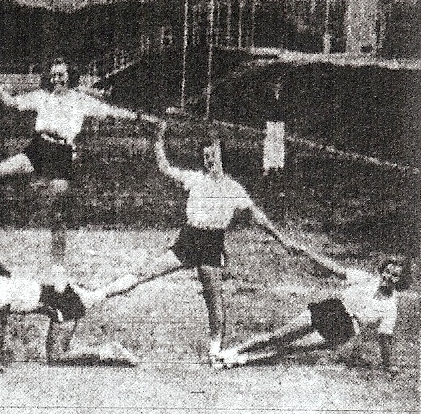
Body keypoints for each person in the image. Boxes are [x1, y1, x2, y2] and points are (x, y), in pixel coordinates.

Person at [89, 122, 298, 362]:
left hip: (212, 243)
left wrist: (282, 238)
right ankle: (96, 296)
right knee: (144, 272)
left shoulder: (234, 188)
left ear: (223, 156)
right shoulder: (195, 179)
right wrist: (158, 138)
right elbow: (164, 167)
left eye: (214, 155)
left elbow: (257, 216)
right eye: (206, 156)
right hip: (188, 240)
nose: (210, 160)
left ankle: (215, 351)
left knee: (213, 297)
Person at [0, 59, 154, 262]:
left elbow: (113, 112)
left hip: (61, 154)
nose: (56, 79)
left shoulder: (82, 100)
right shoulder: (41, 96)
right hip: (39, 148)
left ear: (69, 76)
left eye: (61, 75)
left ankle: (58, 264)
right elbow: (9, 102)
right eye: (53, 75)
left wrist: (144, 118)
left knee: (58, 209)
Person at [216, 250, 409, 374]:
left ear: (401, 280)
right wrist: (309, 253)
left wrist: (389, 365)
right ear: (382, 270)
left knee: (292, 348)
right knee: (278, 336)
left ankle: (241, 361)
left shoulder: (391, 307)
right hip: (332, 308)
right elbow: (335, 269)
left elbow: (385, 338)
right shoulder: (365, 279)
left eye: (395, 276)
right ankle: (231, 352)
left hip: (345, 328)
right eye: (387, 272)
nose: (388, 277)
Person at [0, 251, 139, 373]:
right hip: (61, 298)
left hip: (64, 302)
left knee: (58, 357)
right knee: (101, 294)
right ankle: (108, 351)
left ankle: (109, 351)